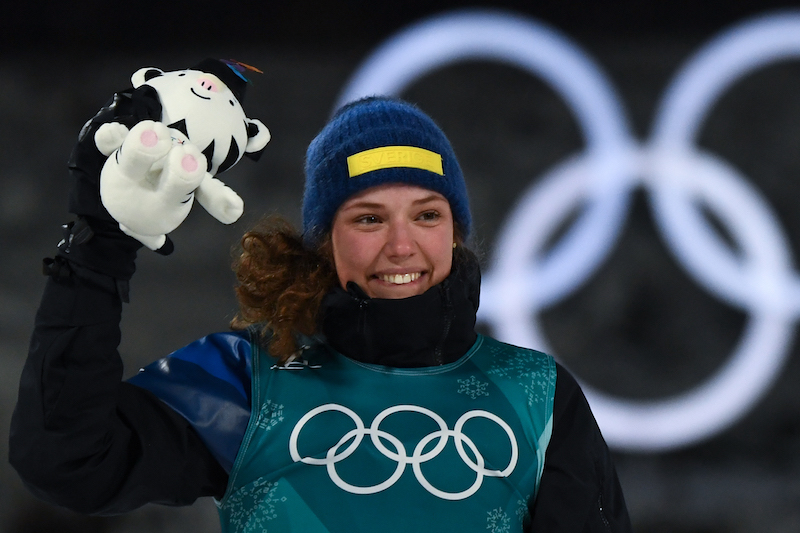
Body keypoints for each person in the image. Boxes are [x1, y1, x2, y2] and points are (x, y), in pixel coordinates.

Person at [10, 95, 632, 532]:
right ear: (322, 243)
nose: (400, 245)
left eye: (426, 214)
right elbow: (65, 459)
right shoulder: (248, 379)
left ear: (455, 234)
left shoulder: (537, 396)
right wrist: (98, 250)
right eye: (367, 218)